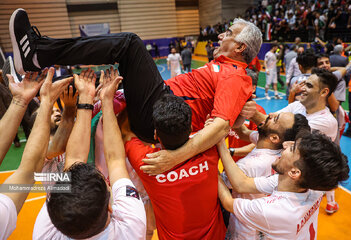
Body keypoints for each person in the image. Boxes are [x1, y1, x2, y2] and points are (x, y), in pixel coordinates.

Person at [10, 9, 262, 175]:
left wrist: (174, 158)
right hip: (160, 102)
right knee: (103, 78)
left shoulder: (236, 76)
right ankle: (36, 78)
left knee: (130, 44)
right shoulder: (227, 68)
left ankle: (37, 54)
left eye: (228, 34)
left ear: (240, 47)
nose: (220, 35)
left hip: (159, 113)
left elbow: (220, 126)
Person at [33, 69, 146, 239]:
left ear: (55, 219)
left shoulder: (45, 235)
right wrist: (104, 102)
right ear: (110, 206)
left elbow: (74, 160)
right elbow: (114, 160)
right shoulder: (132, 226)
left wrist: (84, 101)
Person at [121, 94, 226, 239]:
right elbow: (219, 129)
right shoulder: (210, 150)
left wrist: (129, 97)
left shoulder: (147, 163)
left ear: (156, 134)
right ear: (190, 128)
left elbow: (126, 133)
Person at [218, 131, 349, 239]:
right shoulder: (311, 186)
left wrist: (212, 164)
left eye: (292, 148)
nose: (285, 144)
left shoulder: (272, 210)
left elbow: (228, 203)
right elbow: (243, 184)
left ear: (294, 172)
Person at [250, 68, 340, 214]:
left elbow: (278, 131)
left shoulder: (326, 121)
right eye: (304, 84)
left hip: (300, 185)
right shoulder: (298, 106)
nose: (302, 88)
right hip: (286, 175)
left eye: (309, 86)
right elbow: (272, 119)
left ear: (324, 92)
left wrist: (247, 108)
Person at [0, 68, 72, 239]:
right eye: (49, 113)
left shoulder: (67, 132)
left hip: (74, 191)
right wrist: (69, 110)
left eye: (56, 111)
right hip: (58, 200)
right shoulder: (43, 147)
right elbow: (58, 146)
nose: (55, 112)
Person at [223, 112, 310, 239]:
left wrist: (217, 145)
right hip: (263, 228)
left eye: (276, 119)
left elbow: (224, 187)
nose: (270, 115)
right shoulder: (284, 153)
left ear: (274, 138)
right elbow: (244, 132)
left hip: (244, 231)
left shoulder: (248, 165)